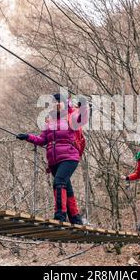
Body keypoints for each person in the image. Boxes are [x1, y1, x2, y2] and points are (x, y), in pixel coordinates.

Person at [16, 93, 87, 224]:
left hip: (69, 157)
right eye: (54, 103)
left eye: (59, 102)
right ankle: (76, 219)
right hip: (54, 161)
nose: (56, 105)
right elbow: (42, 140)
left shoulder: (71, 117)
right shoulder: (50, 121)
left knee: (58, 182)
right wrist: (27, 137)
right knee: (67, 188)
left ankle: (60, 215)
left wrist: (84, 107)